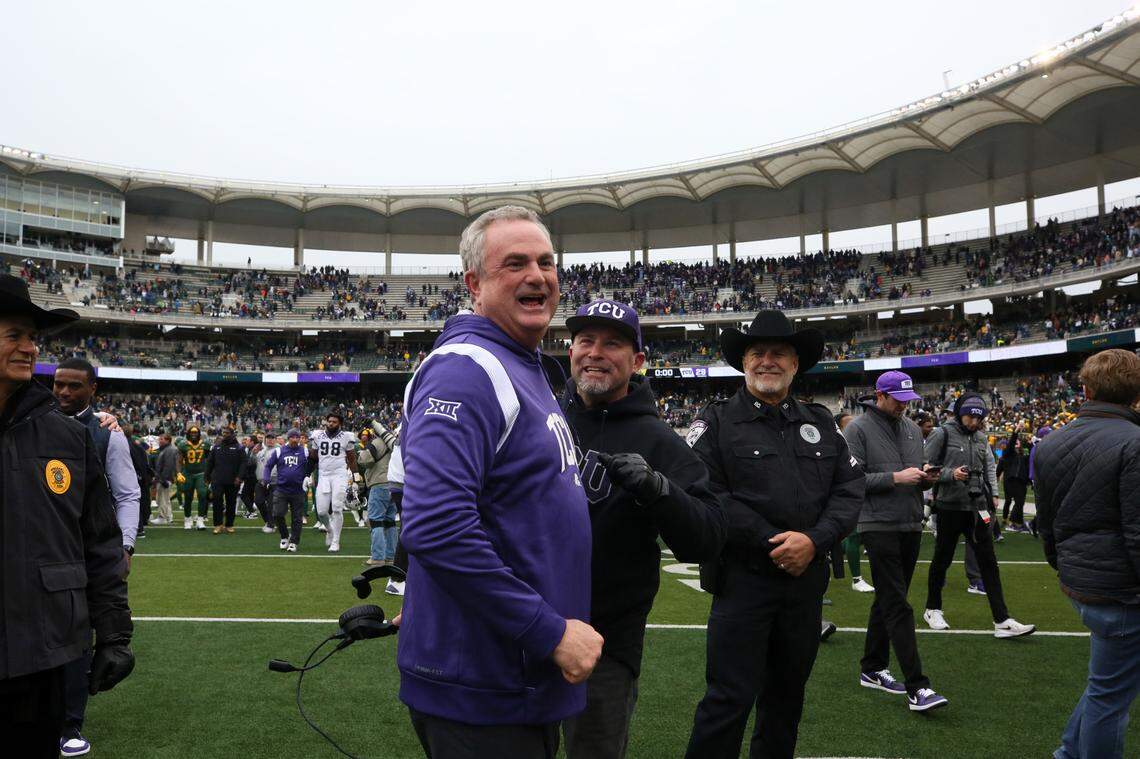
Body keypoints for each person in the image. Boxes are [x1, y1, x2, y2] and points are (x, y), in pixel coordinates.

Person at [397, 206, 600, 759]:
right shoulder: (468, 369)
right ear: (474, 283)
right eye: (514, 264)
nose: (537, 275)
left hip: (512, 674)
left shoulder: (519, 363)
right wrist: (549, 631)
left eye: (545, 261)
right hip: (486, 685)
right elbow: (436, 526)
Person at [684, 310, 863, 759]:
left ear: (795, 364)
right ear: (743, 362)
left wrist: (815, 540)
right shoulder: (717, 421)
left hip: (804, 585)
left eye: (779, 353)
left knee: (785, 702)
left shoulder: (822, 421)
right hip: (742, 582)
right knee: (728, 700)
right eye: (757, 353)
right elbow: (707, 492)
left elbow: (849, 488)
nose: (768, 361)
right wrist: (777, 543)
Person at [559, 299, 726, 759]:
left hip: (605, 643)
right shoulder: (540, 418)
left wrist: (659, 490)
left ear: (636, 362)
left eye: (612, 343)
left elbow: (708, 537)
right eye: (585, 341)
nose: (595, 352)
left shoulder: (658, 440)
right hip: (526, 626)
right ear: (570, 350)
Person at [0, 274, 135, 758]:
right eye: (14, 335)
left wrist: (114, 636)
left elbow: (99, 543)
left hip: (44, 655)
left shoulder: (69, 437)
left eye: (33, 338)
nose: (29, 349)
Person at [1034, 349, 1140, 759]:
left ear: (1086, 389)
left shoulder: (1052, 442)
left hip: (1082, 582)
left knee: (1106, 687)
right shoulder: (1133, 443)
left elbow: (1047, 524)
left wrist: (1064, 568)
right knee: (1111, 698)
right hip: (1122, 590)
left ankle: (1067, 752)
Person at [51, 357, 142, 756]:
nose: (64, 392)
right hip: (44, 547)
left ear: (93, 390)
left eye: (74, 386)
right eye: (58, 385)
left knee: (77, 635)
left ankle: (71, 723)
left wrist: (124, 545)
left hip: (88, 550)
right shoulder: (39, 422)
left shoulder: (108, 433)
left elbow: (127, 494)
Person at [842, 371, 947, 712]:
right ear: (879, 395)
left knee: (888, 598)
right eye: (898, 400)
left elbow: (914, 479)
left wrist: (925, 479)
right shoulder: (856, 429)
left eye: (907, 400)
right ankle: (918, 686)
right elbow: (851, 481)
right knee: (898, 602)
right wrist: (895, 477)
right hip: (877, 522)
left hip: (909, 522)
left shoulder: (914, 429)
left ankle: (872, 667)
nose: (904, 406)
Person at [922, 393, 1035, 638]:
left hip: (978, 506)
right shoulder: (941, 434)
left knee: (989, 563)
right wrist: (951, 474)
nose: (974, 423)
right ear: (960, 412)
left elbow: (989, 469)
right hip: (949, 506)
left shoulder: (982, 437)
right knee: (942, 558)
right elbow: (924, 467)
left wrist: (994, 493)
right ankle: (932, 608)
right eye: (969, 417)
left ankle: (1002, 620)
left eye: (978, 418)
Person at [306, 411, 356, 553]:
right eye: (329, 421)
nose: (331, 424)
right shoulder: (317, 436)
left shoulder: (347, 437)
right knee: (321, 511)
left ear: (339, 424)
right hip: (323, 475)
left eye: (334, 422)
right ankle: (329, 529)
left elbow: (352, 459)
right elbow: (313, 457)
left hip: (339, 475)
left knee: (336, 508)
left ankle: (336, 541)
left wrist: (357, 478)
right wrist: (306, 474)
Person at [262, 429, 311, 552]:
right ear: (288, 438)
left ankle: (294, 541)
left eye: (297, 437)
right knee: (277, 514)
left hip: (298, 490)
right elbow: (268, 466)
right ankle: (284, 536)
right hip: (281, 489)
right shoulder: (279, 451)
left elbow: (311, 465)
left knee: (297, 518)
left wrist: (308, 477)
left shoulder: (304, 451)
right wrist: (266, 479)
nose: (295, 439)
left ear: (300, 438)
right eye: (292, 437)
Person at [358, 422, 398, 567]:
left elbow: (364, 460)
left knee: (375, 521)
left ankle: (378, 556)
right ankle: (390, 556)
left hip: (379, 483)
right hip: (394, 485)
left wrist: (363, 450)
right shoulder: (396, 442)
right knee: (390, 521)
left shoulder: (377, 442)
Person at [205, 425, 247, 534]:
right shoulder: (216, 447)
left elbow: (243, 464)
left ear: (232, 434)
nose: (224, 435)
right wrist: (207, 476)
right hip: (217, 480)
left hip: (233, 480)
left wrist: (239, 477)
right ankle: (218, 524)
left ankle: (229, 524)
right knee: (217, 502)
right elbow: (210, 463)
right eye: (223, 433)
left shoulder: (239, 448)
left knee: (231, 503)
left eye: (227, 433)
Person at [177, 425, 211, 530]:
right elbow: (179, 460)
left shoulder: (205, 444)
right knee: (188, 497)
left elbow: (210, 460)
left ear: (199, 433)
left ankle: (200, 520)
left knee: (202, 494)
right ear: (188, 433)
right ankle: (187, 519)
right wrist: (179, 473)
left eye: (195, 432)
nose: (194, 434)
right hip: (188, 473)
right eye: (192, 432)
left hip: (201, 473)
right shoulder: (183, 445)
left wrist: (209, 473)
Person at [996, 431, 1032, 531]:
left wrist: (1029, 479)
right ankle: (1009, 520)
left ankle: (1019, 523)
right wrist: (1015, 432)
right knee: (1010, 501)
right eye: (1014, 442)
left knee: (1020, 503)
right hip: (1011, 481)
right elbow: (999, 467)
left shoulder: (1023, 455)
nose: (1016, 443)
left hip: (1021, 481)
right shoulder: (1008, 454)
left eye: (1018, 442)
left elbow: (1029, 465)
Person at [254, 431, 279, 534]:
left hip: (274, 481)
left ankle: (271, 524)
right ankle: (268, 521)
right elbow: (255, 464)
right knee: (258, 501)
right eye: (268, 438)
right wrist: (253, 453)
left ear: (275, 440)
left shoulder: (279, 451)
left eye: (272, 438)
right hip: (261, 481)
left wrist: (269, 477)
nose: (270, 440)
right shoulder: (261, 451)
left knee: (271, 504)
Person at [152, 433, 178, 525]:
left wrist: (163, 479)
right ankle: (168, 517)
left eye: (161, 439)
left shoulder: (169, 450)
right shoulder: (166, 449)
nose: (159, 441)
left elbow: (169, 466)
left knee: (162, 499)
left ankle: (162, 517)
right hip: (164, 478)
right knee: (165, 499)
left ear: (167, 440)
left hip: (165, 478)